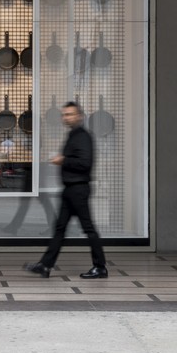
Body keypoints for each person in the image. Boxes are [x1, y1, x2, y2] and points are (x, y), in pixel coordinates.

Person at [25, 102, 108, 279]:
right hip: (70, 189)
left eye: (70, 114)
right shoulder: (73, 135)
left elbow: (85, 163)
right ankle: (45, 265)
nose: (66, 117)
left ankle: (100, 267)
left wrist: (63, 160)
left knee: (88, 228)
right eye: (64, 114)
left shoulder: (83, 136)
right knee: (60, 228)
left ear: (80, 116)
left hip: (78, 189)